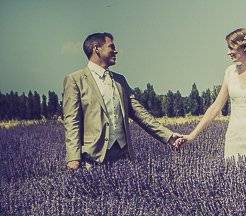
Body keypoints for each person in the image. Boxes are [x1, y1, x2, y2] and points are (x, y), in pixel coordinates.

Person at [62, 32, 183, 170]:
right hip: (93, 158)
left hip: (123, 156)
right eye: (111, 47)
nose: (116, 51)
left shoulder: (120, 80)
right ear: (96, 49)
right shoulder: (75, 80)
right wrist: (73, 157)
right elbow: (72, 121)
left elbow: (140, 113)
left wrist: (168, 136)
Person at [180, 28, 246, 161]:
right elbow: (216, 107)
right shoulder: (230, 72)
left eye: (231, 48)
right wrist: (192, 135)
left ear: (245, 47)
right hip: (235, 139)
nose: (228, 52)